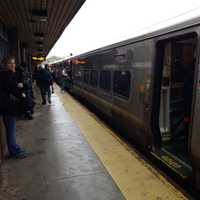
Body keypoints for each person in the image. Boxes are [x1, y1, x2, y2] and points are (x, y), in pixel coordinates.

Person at [0, 56, 27, 159]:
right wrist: (21, 94)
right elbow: (14, 89)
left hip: (4, 106)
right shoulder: (8, 75)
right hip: (8, 106)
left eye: (14, 63)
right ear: (4, 65)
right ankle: (15, 151)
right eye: (10, 63)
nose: (12, 65)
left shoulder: (3, 75)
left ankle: (14, 149)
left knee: (10, 129)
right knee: (11, 130)